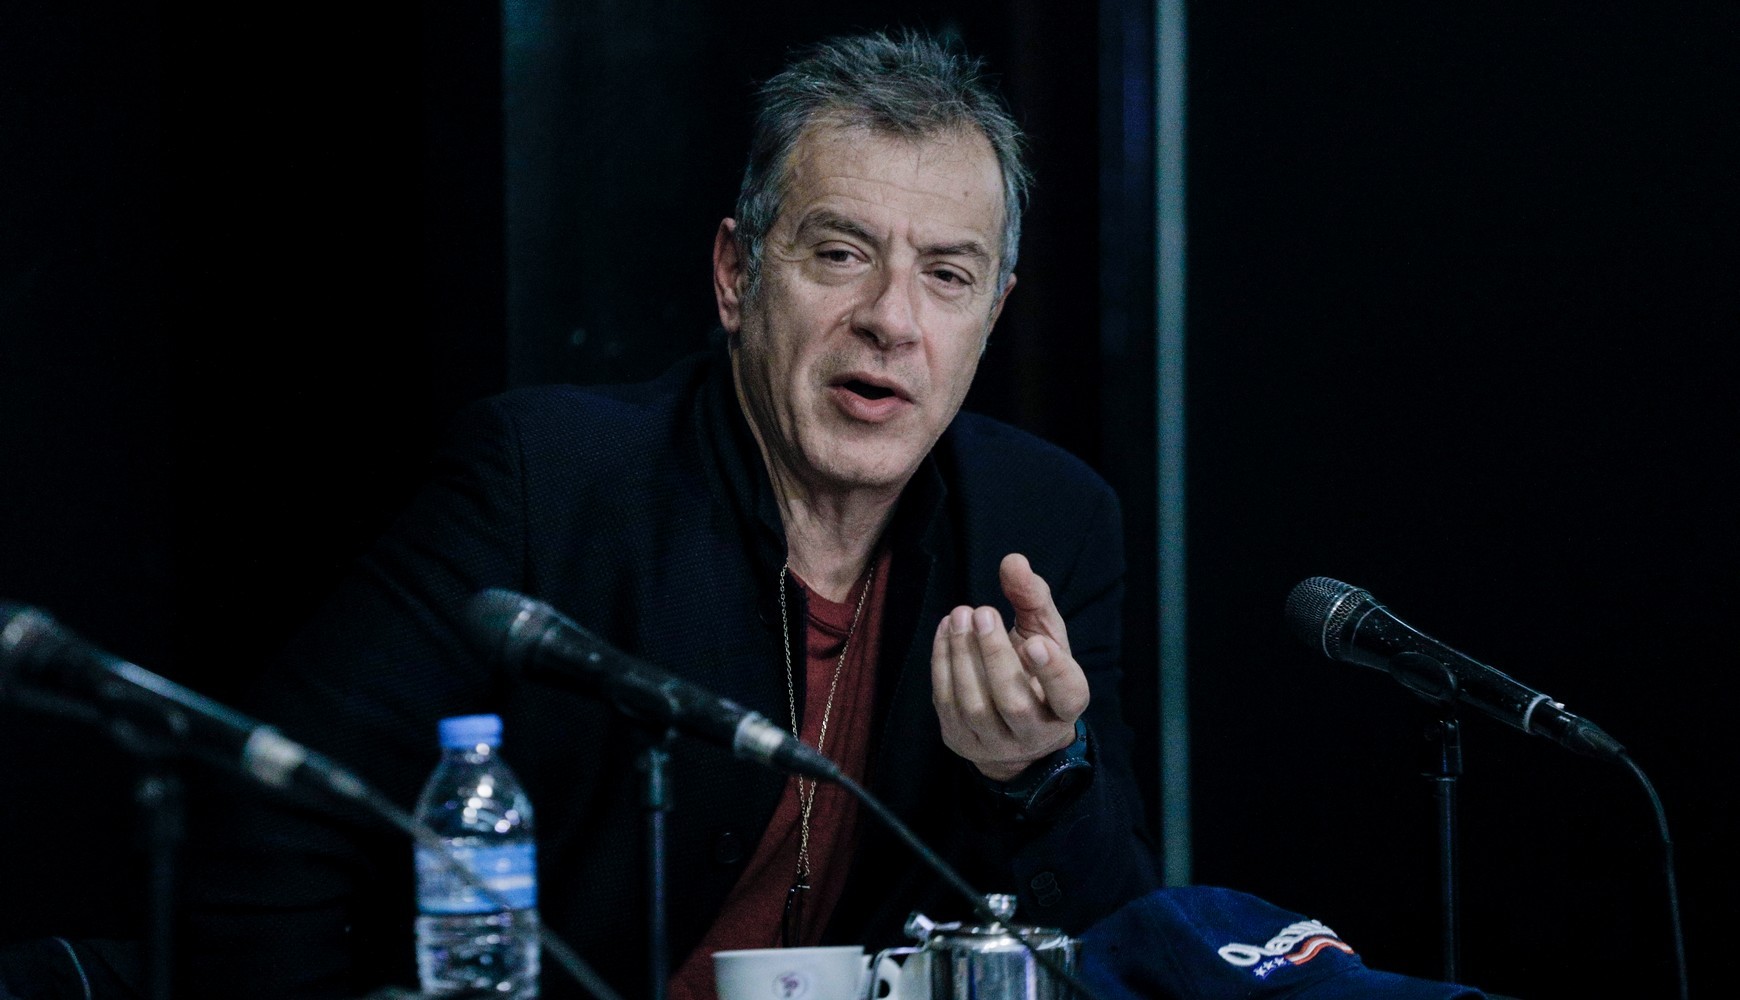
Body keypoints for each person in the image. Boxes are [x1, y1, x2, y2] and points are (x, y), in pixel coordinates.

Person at [184, 30, 1159, 1000]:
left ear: (992, 315)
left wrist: (1039, 772)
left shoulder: (1047, 523)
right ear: (737, 275)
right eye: (839, 253)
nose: (892, 320)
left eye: (947, 275)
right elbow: (266, 807)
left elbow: (1125, 941)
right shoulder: (545, 483)